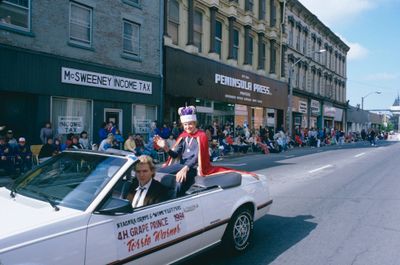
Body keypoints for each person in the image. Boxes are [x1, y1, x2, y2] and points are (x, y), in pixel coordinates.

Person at [155, 106, 248, 196]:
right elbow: (175, 155)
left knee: (179, 182)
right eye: (185, 124)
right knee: (159, 173)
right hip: (182, 165)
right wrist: (166, 148)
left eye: (190, 123)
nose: (188, 127)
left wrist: (185, 168)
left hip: (194, 168)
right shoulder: (183, 136)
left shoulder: (201, 135)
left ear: (195, 123)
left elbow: (197, 156)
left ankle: (174, 204)